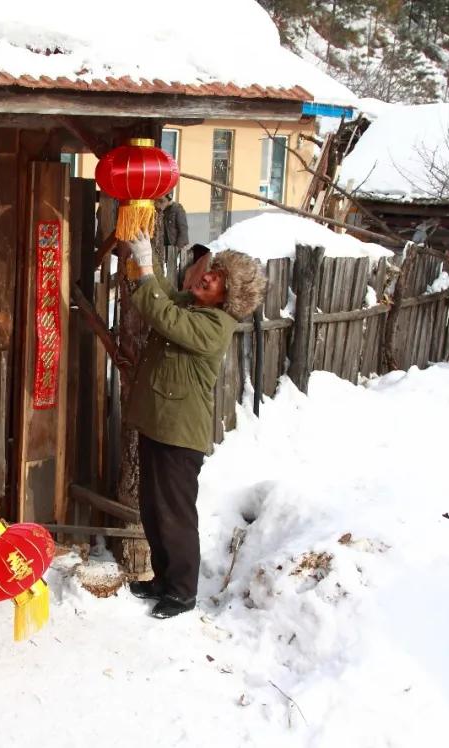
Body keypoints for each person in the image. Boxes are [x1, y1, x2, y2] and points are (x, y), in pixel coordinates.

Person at [123, 231, 265, 619]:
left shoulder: (216, 325)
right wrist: (144, 262)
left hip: (180, 433)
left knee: (175, 514)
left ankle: (183, 592)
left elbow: (164, 315)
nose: (208, 276)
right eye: (212, 271)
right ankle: (163, 580)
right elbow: (167, 298)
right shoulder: (194, 305)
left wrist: (148, 267)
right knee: (153, 508)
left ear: (228, 296)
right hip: (159, 423)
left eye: (219, 278)